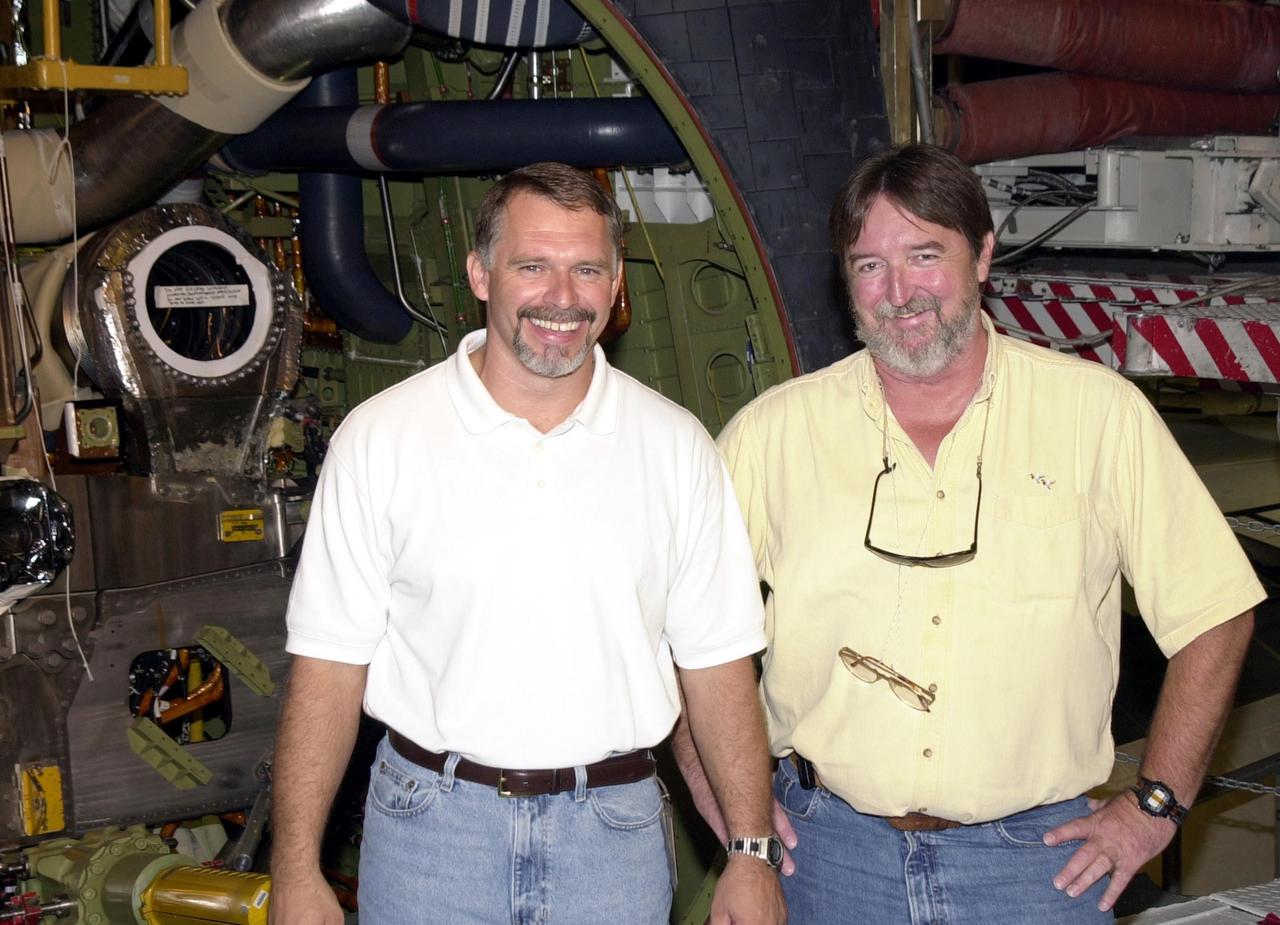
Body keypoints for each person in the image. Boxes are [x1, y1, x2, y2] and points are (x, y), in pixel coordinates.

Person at [676, 143, 1261, 923]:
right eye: (869, 265)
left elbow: (1216, 614)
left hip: (1037, 868)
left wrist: (1154, 803)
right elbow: (680, 632)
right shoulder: (773, 434)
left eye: (924, 255)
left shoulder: (1097, 417)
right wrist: (734, 822)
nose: (898, 291)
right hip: (823, 859)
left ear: (982, 254)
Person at [269, 162, 786, 925]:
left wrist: (751, 851)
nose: (562, 296)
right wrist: (294, 865)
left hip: (613, 837)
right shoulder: (381, 439)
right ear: (481, 273)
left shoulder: (676, 449)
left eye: (587, 269)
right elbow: (328, 669)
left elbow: (716, 667)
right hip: (429, 833)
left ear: (616, 288)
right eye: (532, 265)